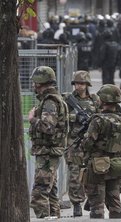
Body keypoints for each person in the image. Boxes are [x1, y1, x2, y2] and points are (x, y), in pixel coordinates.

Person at [81, 84, 121, 219]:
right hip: (118, 164)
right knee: (115, 201)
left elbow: (87, 144)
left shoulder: (98, 121)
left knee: (97, 204)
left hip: (99, 166)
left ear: (102, 100)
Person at [28, 66, 69, 218]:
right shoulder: (52, 99)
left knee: (39, 193)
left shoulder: (50, 102)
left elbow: (48, 127)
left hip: (47, 152)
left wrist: (32, 119)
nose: (33, 86)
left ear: (40, 83)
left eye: (35, 83)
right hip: (49, 152)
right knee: (51, 193)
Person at [63, 71, 100, 217]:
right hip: (74, 143)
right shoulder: (68, 99)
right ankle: (77, 203)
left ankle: (91, 200)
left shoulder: (95, 99)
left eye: (82, 83)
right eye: (77, 83)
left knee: (92, 173)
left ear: (87, 84)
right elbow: (60, 116)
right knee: (74, 174)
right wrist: (75, 116)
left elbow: (101, 116)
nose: (79, 86)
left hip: (90, 143)